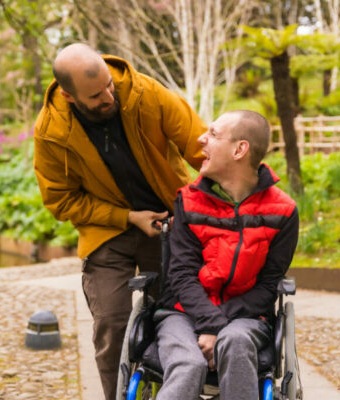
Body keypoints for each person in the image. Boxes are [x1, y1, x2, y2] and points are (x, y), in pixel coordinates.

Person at [33, 43, 206, 400]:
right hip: (107, 233)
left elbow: (201, 146)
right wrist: (126, 217)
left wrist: (229, 193)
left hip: (168, 221)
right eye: (96, 95)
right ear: (68, 95)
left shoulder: (145, 93)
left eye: (109, 85)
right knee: (112, 325)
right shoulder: (50, 132)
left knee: (173, 317)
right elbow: (61, 200)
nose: (108, 97)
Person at [154, 110, 299, 400]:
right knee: (188, 363)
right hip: (182, 313)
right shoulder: (188, 200)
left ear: (239, 149)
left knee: (235, 341)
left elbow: (269, 285)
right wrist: (210, 323)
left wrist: (219, 324)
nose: (201, 139)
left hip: (246, 316)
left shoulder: (283, 211)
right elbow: (181, 274)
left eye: (213, 134)